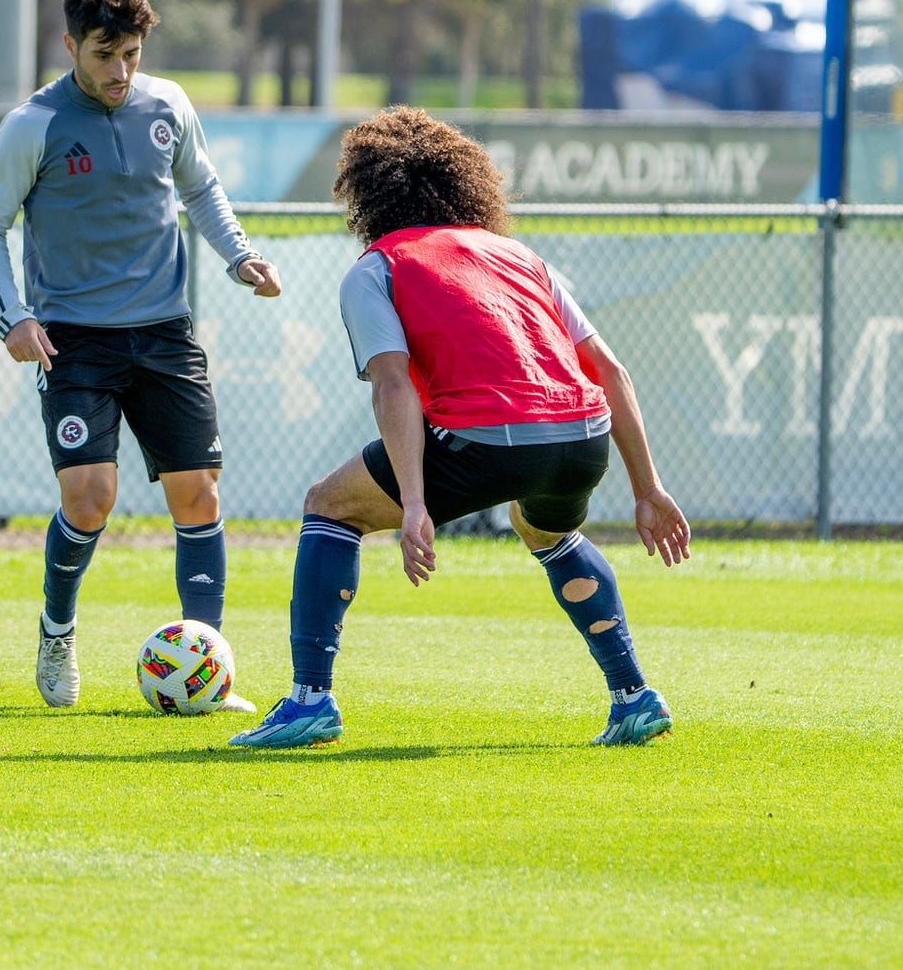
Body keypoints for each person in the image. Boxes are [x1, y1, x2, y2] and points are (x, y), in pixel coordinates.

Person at [230, 107, 690, 750]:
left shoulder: (378, 267)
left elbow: (393, 386)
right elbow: (610, 372)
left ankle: (310, 700)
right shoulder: (519, 255)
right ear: (468, 187)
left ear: (365, 197)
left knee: (329, 507)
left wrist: (417, 505)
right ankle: (634, 696)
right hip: (583, 436)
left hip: (489, 442)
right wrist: (649, 488)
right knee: (544, 528)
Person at [0, 0, 283, 711]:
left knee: (197, 493)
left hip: (165, 331)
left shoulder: (167, 105)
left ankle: (207, 673)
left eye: (132, 54)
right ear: (72, 44)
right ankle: (57, 630)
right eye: (105, 54)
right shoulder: (33, 126)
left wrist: (238, 253)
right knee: (90, 497)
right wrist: (12, 315)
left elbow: (200, 186)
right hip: (73, 340)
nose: (121, 70)